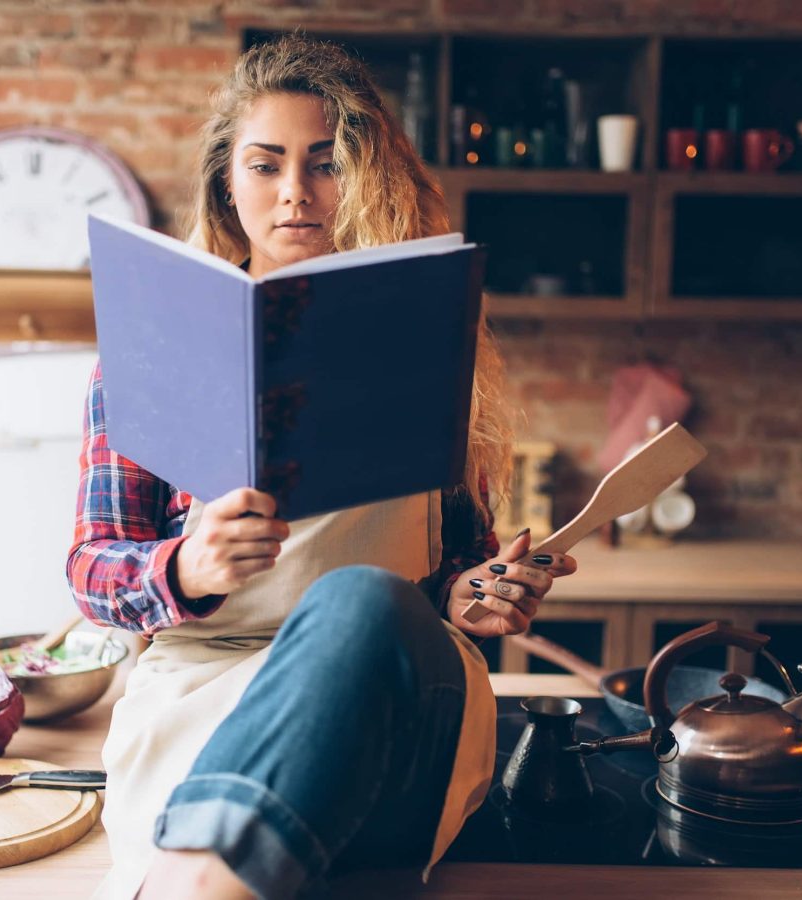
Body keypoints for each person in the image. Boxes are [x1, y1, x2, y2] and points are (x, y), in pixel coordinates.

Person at [68, 34, 577, 900]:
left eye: (326, 163)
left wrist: (478, 589)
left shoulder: (429, 338)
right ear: (229, 182)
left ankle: (199, 883)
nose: (296, 192)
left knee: (360, 596)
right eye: (266, 165)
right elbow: (90, 566)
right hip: (206, 699)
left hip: (399, 701)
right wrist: (183, 565)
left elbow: (460, 565)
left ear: (366, 176)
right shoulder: (152, 350)